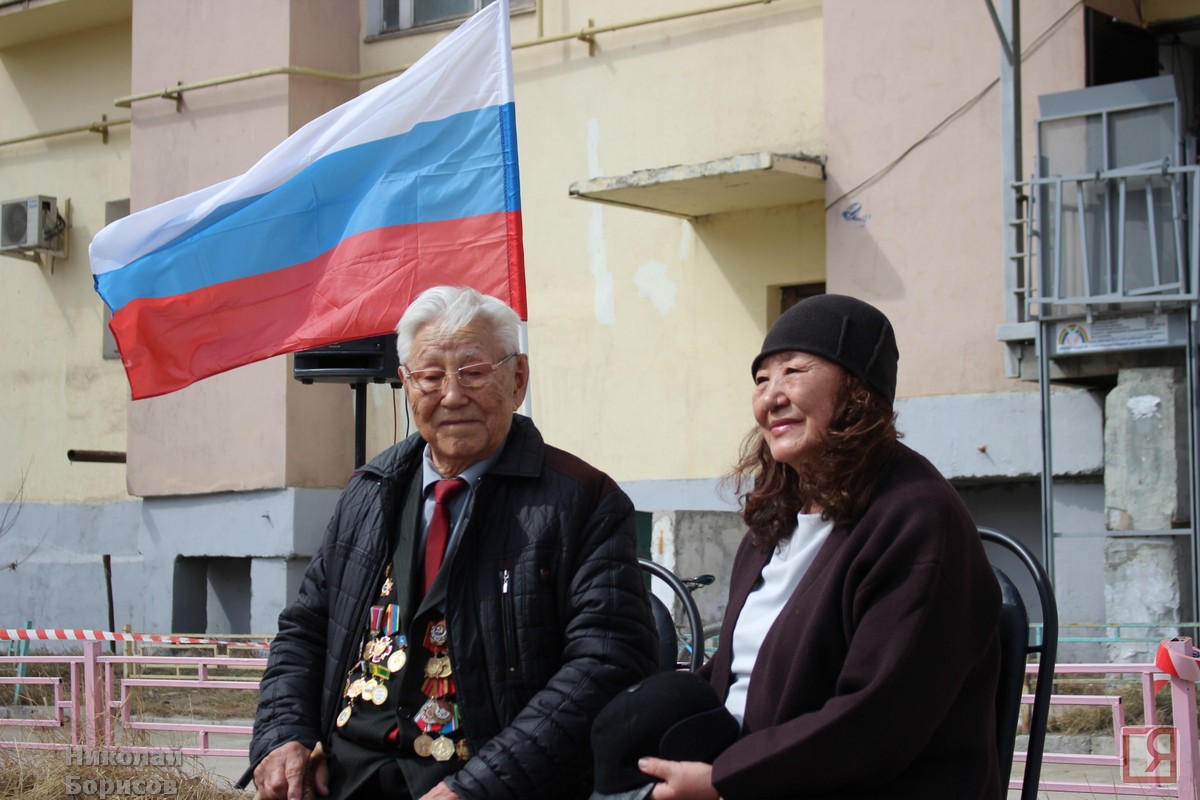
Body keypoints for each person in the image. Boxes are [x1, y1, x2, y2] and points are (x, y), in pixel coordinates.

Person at [250, 285, 659, 800]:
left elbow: (607, 660)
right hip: (347, 776)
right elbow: (306, 630)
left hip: (488, 781)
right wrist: (282, 735)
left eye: (473, 372)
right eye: (430, 376)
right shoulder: (368, 492)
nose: (451, 395)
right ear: (405, 384)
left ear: (518, 380)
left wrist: (481, 787)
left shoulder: (582, 501)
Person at [638, 294, 1002, 799]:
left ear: (857, 389)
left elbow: (879, 717)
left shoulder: (915, 518)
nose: (771, 397)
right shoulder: (776, 520)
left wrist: (724, 781)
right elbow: (743, 672)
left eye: (794, 371)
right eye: (762, 380)